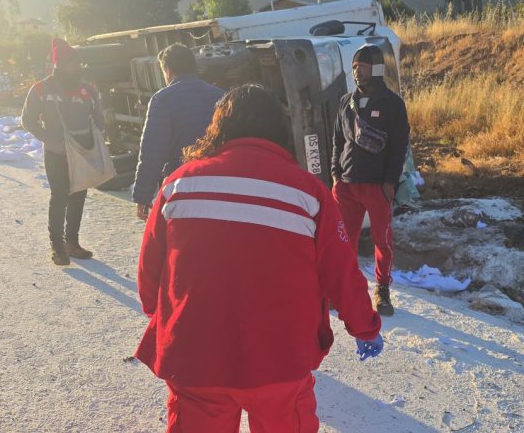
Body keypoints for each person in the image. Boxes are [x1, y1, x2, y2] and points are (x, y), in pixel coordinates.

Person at [136, 85, 383, 433]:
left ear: (218, 127)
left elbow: (151, 268)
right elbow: (340, 272)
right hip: (279, 360)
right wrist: (365, 327)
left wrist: (162, 315)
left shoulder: (178, 185)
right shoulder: (308, 193)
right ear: (280, 130)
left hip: (195, 357)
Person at [331, 44, 410, 317]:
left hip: (377, 186)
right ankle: (346, 289)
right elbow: (338, 140)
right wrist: (334, 175)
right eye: (354, 67)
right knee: (344, 240)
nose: (357, 71)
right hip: (347, 185)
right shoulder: (345, 102)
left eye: (362, 66)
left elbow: (400, 146)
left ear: (375, 68)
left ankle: (383, 289)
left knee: (382, 240)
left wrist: (390, 181)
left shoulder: (393, 105)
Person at [21, 38, 104, 265]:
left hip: (82, 153)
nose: (76, 68)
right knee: (60, 197)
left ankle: (72, 243)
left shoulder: (88, 89)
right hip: (56, 153)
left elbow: (99, 117)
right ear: (59, 65)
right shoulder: (40, 89)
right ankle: (58, 247)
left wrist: (97, 135)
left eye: (78, 64)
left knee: (79, 195)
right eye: (71, 64)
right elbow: (27, 120)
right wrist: (49, 138)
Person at [132, 43, 224, 220]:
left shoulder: (162, 99)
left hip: (182, 183)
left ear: (168, 70)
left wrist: (142, 196)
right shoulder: (220, 95)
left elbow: (152, 152)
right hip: (218, 181)